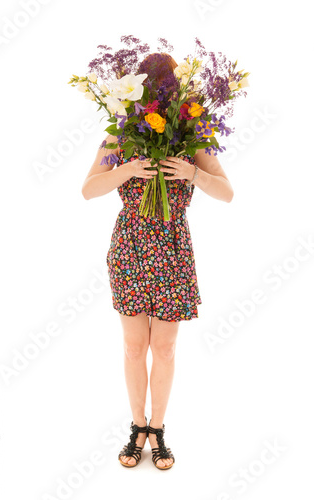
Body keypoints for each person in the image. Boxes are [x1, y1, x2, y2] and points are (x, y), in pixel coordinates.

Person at [81, 53, 234, 470]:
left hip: (173, 250)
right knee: (134, 346)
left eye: (168, 94)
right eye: (156, 93)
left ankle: (159, 431)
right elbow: (89, 189)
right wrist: (129, 166)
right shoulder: (123, 132)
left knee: (164, 349)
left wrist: (192, 173)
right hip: (131, 248)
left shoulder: (192, 134)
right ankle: (136, 427)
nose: (162, 100)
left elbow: (227, 192)